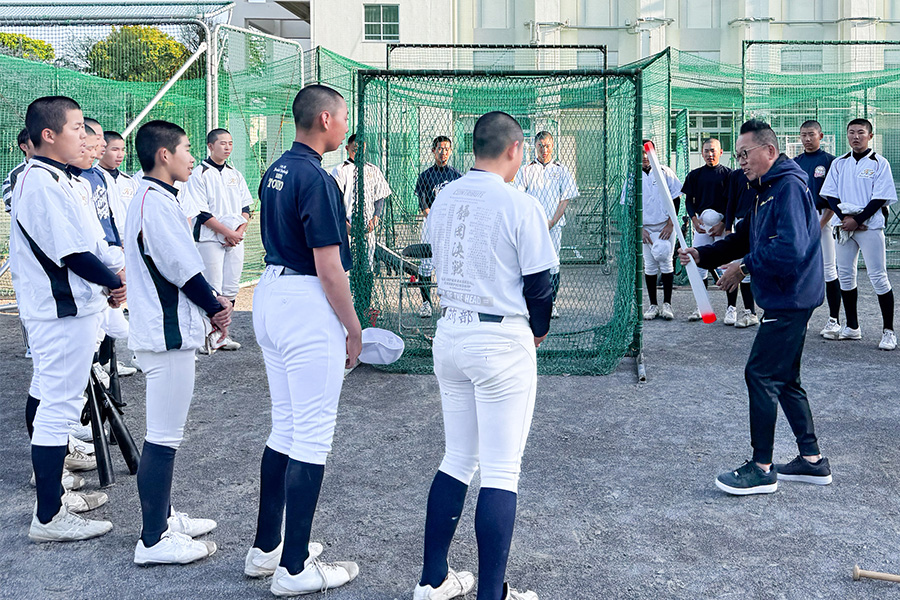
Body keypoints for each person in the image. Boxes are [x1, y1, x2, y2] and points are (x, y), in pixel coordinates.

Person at [415, 111, 554, 600]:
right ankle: (492, 594)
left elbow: (433, 258)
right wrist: (539, 330)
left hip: (450, 334)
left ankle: (432, 579)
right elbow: (541, 282)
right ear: (515, 148)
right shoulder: (519, 202)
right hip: (500, 338)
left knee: (457, 458)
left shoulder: (445, 195)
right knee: (500, 470)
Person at [247, 84, 361, 596]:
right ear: (323, 119)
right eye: (341, 119)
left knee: (287, 428)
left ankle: (267, 548)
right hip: (304, 299)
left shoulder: (277, 167)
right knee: (311, 435)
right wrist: (354, 327)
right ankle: (293, 568)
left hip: (272, 297)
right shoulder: (317, 175)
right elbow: (329, 267)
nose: (344, 127)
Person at [679, 119, 831, 495]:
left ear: (770, 152)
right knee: (785, 378)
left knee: (760, 375)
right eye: (739, 155)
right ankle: (812, 461)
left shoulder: (789, 188)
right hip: (787, 296)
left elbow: (790, 249)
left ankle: (762, 467)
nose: (741, 161)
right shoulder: (764, 190)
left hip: (789, 298)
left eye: (746, 154)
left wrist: (744, 267)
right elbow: (744, 237)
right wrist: (701, 254)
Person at [11, 96, 127, 540]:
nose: (85, 135)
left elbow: (89, 245)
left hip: (70, 307)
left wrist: (111, 275)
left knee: (49, 396)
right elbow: (73, 253)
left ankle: (54, 493)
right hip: (62, 311)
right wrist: (113, 283)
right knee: (57, 408)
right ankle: (48, 516)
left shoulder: (57, 178)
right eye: (78, 127)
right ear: (48, 135)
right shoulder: (40, 182)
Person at [125, 120, 232, 565]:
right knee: (164, 436)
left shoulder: (158, 197)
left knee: (165, 434)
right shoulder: (154, 201)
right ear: (163, 155)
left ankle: (164, 518)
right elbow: (182, 272)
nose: (192, 155)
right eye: (187, 148)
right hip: (165, 334)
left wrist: (212, 304)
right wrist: (216, 307)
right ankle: (153, 539)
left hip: (165, 331)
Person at [820, 118, 897, 351]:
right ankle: (852, 327)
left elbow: (879, 197)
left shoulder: (879, 162)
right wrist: (846, 220)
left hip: (869, 227)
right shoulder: (840, 163)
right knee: (845, 275)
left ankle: (888, 331)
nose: (856, 136)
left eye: (861, 132)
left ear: (870, 136)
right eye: (851, 132)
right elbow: (830, 194)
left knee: (878, 276)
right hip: (844, 226)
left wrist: (858, 220)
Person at [185, 128, 253, 352]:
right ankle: (207, 334)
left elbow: (246, 207)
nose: (227, 147)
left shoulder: (235, 173)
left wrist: (238, 232)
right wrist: (226, 232)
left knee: (231, 288)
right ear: (210, 146)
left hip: (234, 240)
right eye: (222, 143)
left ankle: (223, 333)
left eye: (231, 143)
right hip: (209, 239)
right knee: (212, 288)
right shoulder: (199, 174)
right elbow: (201, 213)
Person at [514, 131, 578, 319]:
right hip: (531, 227)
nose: (544, 149)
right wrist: (530, 221)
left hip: (553, 226)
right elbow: (519, 197)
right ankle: (530, 303)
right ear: (535, 147)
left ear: (553, 146)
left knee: (553, 264)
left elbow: (565, 199)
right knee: (530, 264)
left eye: (548, 145)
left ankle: (552, 303)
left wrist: (552, 221)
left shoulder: (561, 170)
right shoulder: (526, 169)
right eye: (540, 145)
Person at [621, 140, 682, 321]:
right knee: (649, 265)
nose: (645, 157)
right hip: (646, 228)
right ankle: (653, 305)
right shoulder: (633, 176)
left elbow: (676, 198)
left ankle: (667, 304)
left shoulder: (665, 172)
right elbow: (630, 206)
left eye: (648, 152)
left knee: (666, 263)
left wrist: (671, 224)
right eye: (641, 153)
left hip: (665, 226)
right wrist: (639, 229)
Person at [331, 133, 391, 316]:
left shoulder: (373, 169)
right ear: (347, 148)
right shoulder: (340, 170)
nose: (358, 152)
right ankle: (343, 307)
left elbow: (380, 196)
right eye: (355, 149)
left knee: (366, 267)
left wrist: (376, 218)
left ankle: (364, 304)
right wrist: (344, 224)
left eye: (362, 149)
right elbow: (335, 200)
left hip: (367, 228)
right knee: (344, 266)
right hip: (347, 227)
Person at [794, 120, 840, 339]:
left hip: (823, 219)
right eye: (803, 135)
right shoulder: (795, 163)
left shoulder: (831, 161)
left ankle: (834, 320)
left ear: (820, 135)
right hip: (800, 220)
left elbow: (833, 198)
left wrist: (819, 224)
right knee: (802, 270)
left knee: (829, 270)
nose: (807, 139)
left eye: (811, 134)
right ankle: (803, 317)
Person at [681, 138, 731, 322]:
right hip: (702, 228)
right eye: (706, 151)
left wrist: (724, 224)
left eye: (713, 150)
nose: (710, 154)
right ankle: (702, 307)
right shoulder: (694, 175)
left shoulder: (728, 175)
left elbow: (732, 203)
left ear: (721, 152)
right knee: (698, 266)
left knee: (725, 267)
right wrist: (694, 219)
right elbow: (689, 201)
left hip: (721, 228)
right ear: (702, 152)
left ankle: (731, 309)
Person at [415, 136, 462, 318]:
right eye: (440, 149)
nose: (443, 152)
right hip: (431, 224)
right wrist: (435, 217)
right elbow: (423, 204)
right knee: (426, 264)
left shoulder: (456, 176)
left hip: (452, 225)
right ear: (433, 151)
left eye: (447, 149)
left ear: (451, 151)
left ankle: (449, 303)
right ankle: (426, 303)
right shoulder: (426, 176)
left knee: (451, 263)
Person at [723, 168, 759, 328]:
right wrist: (728, 227)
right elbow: (731, 200)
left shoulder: (764, 172)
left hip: (760, 222)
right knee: (739, 266)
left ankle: (755, 312)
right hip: (740, 223)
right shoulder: (736, 175)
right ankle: (743, 310)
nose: (744, 158)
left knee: (755, 266)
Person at [97, 130, 140, 244]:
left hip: (130, 241)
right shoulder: (93, 179)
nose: (120, 154)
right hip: (107, 242)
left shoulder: (129, 181)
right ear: (102, 149)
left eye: (123, 149)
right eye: (115, 149)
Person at [3, 127, 33, 214]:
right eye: (35, 140)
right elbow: (13, 209)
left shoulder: (60, 170)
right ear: (24, 147)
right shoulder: (14, 176)